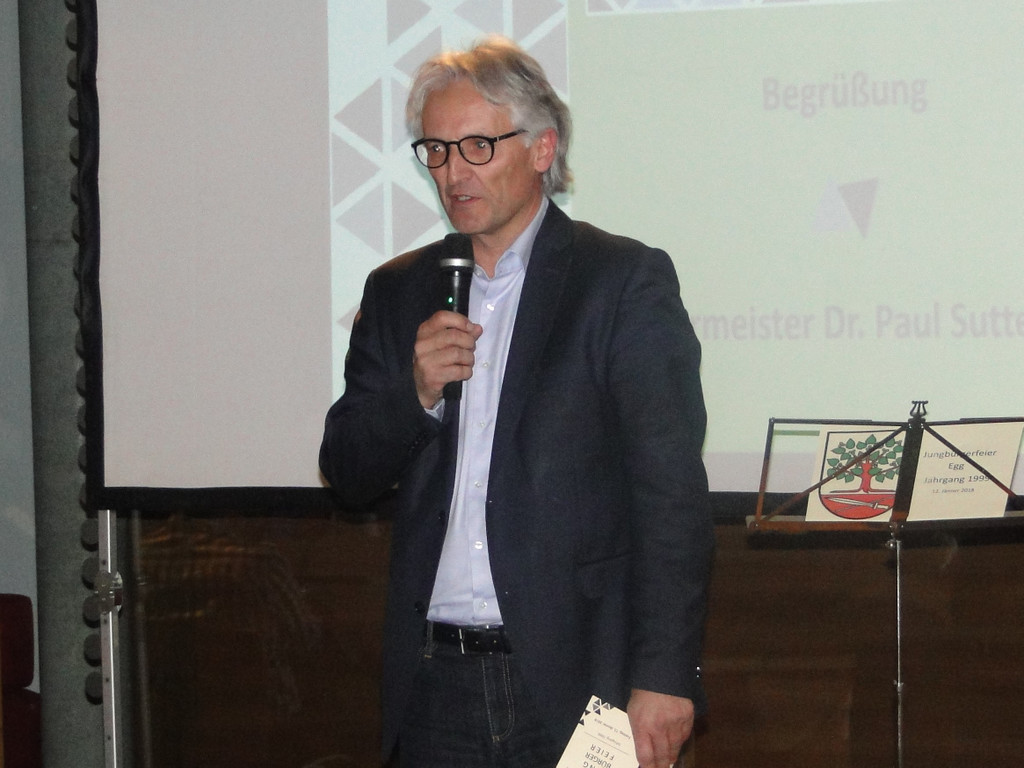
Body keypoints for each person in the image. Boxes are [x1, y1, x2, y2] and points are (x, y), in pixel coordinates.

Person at [319, 35, 714, 768]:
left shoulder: (619, 281)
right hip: (434, 684)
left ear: (541, 149)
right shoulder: (398, 290)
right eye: (436, 151)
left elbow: (671, 496)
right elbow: (346, 470)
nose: (453, 173)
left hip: (579, 681)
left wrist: (664, 675)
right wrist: (416, 393)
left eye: (477, 146)